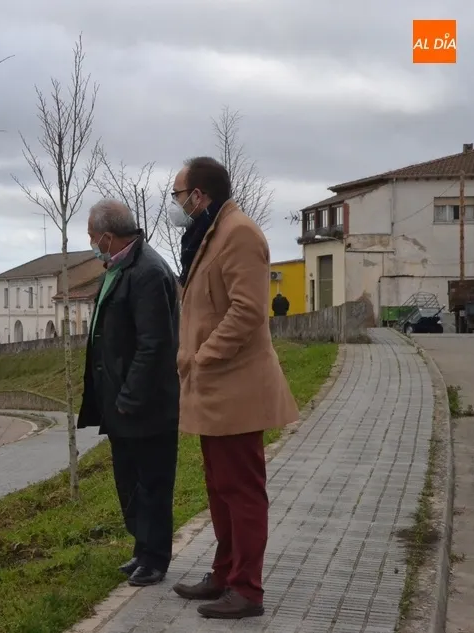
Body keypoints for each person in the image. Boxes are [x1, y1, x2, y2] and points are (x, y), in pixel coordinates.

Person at [169, 157, 298, 619]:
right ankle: (224, 574)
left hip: (235, 386)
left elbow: (247, 310)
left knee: (242, 492)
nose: (175, 204)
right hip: (214, 389)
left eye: (177, 195)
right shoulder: (209, 233)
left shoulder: (239, 233)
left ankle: (247, 589)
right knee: (220, 488)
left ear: (199, 195)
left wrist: (204, 355)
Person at [77, 198, 181, 587]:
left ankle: (156, 558)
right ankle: (142, 549)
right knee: (131, 481)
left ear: (108, 236)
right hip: (120, 403)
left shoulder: (148, 271)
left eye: (92, 236)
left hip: (145, 405)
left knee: (152, 482)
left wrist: (130, 398)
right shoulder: (119, 267)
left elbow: (154, 345)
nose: (91, 243)